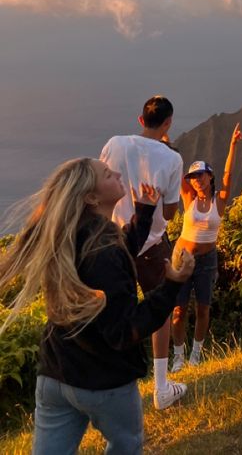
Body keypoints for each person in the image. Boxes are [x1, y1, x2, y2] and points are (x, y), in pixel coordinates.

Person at [0, 158, 194, 454]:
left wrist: (143, 213)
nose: (116, 172)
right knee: (125, 444)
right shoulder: (102, 249)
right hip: (103, 380)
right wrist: (172, 285)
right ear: (91, 197)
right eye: (107, 174)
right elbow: (125, 329)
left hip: (55, 375)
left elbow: (116, 254)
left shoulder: (72, 234)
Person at [100, 95, 185, 410]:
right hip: (150, 244)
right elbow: (172, 212)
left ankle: (108, 383)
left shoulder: (115, 144)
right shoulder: (171, 159)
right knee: (159, 309)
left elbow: (100, 181)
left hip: (113, 242)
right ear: (167, 124)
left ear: (140, 120)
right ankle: (161, 387)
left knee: (110, 311)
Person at [171, 123, 242, 371]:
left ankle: (196, 355)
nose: (196, 181)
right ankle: (178, 357)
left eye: (200, 176)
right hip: (182, 257)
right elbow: (176, 165)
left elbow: (228, 176)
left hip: (207, 259)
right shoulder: (188, 198)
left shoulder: (219, 201)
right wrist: (164, 139)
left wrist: (233, 146)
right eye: (193, 178)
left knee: (203, 308)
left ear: (209, 176)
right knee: (178, 310)